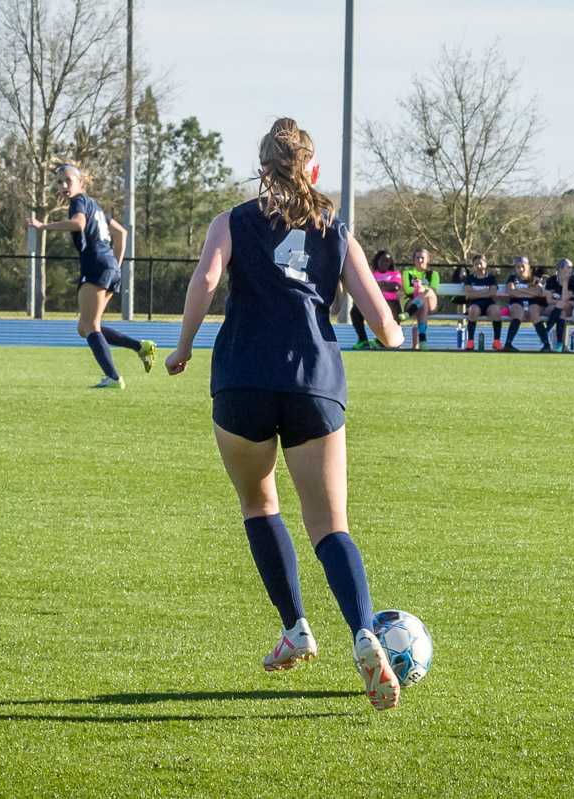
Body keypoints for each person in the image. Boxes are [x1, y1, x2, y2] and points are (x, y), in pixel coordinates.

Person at [164, 118, 405, 711]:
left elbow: (207, 279)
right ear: (313, 170)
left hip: (242, 378)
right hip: (313, 384)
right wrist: (392, 332)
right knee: (329, 526)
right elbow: (384, 325)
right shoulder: (336, 231)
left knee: (259, 504)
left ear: (262, 169)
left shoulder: (231, 222)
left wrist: (183, 346)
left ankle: (296, 628)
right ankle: (364, 632)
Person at [26, 163, 155, 388]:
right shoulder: (94, 206)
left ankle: (114, 378)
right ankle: (140, 347)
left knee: (90, 326)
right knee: (85, 327)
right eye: (59, 182)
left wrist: (43, 226)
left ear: (80, 182)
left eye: (68, 181)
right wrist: (114, 265)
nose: (64, 186)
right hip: (109, 268)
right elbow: (121, 234)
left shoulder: (78, 201)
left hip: (95, 266)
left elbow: (78, 224)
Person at [350, 250, 404, 349]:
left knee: (395, 311)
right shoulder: (371, 274)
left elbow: (395, 287)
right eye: (383, 261)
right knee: (355, 311)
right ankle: (363, 339)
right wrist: (385, 285)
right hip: (373, 302)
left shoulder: (394, 274)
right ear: (377, 262)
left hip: (390, 302)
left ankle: (383, 340)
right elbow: (365, 286)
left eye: (388, 261)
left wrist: (375, 286)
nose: (385, 263)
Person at [455, 254, 502, 350]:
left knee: (496, 310)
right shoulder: (469, 279)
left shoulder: (491, 278)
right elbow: (469, 295)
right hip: (474, 303)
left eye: (481, 263)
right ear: (473, 266)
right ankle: (470, 342)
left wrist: (476, 293)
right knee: (473, 311)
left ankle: (496, 342)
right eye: (476, 264)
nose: (479, 266)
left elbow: (492, 293)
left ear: (486, 264)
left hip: (488, 303)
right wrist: (485, 292)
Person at [503, 256, 544, 352]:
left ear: (528, 267)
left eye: (523, 266)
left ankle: (546, 344)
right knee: (518, 313)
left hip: (532, 303)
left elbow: (538, 292)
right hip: (517, 302)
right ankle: (508, 343)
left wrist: (520, 290)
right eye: (518, 267)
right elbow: (511, 291)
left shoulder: (535, 279)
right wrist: (530, 292)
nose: (521, 269)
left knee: (534, 313)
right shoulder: (512, 278)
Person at [542, 259, 574, 352]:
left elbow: (565, 298)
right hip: (553, 308)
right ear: (561, 269)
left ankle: (547, 329)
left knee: (562, 305)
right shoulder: (551, 280)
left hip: (568, 308)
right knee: (561, 313)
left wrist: (565, 282)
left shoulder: (572, 281)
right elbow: (549, 300)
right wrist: (562, 302)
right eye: (568, 267)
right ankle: (559, 344)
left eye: (572, 268)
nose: (571, 270)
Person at [402, 248, 439, 350]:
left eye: (422, 258)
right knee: (423, 305)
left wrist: (423, 289)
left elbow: (433, 289)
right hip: (411, 300)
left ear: (428, 260)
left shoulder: (433, 274)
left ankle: (409, 313)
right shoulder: (407, 273)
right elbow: (407, 290)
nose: (420, 260)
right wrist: (417, 289)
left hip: (431, 301)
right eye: (417, 258)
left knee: (429, 292)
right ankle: (422, 339)